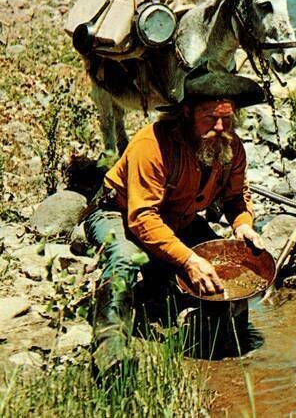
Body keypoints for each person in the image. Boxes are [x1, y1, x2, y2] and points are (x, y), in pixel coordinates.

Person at [84, 74, 267, 373]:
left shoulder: (232, 148)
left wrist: (243, 225)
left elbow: (236, 198)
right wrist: (188, 260)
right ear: (187, 113)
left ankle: (226, 352)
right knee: (125, 259)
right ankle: (110, 353)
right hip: (117, 214)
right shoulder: (152, 144)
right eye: (209, 118)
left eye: (226, 119)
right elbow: (141, 217)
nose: (219, 128)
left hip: (177, 220)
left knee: (229, 265)